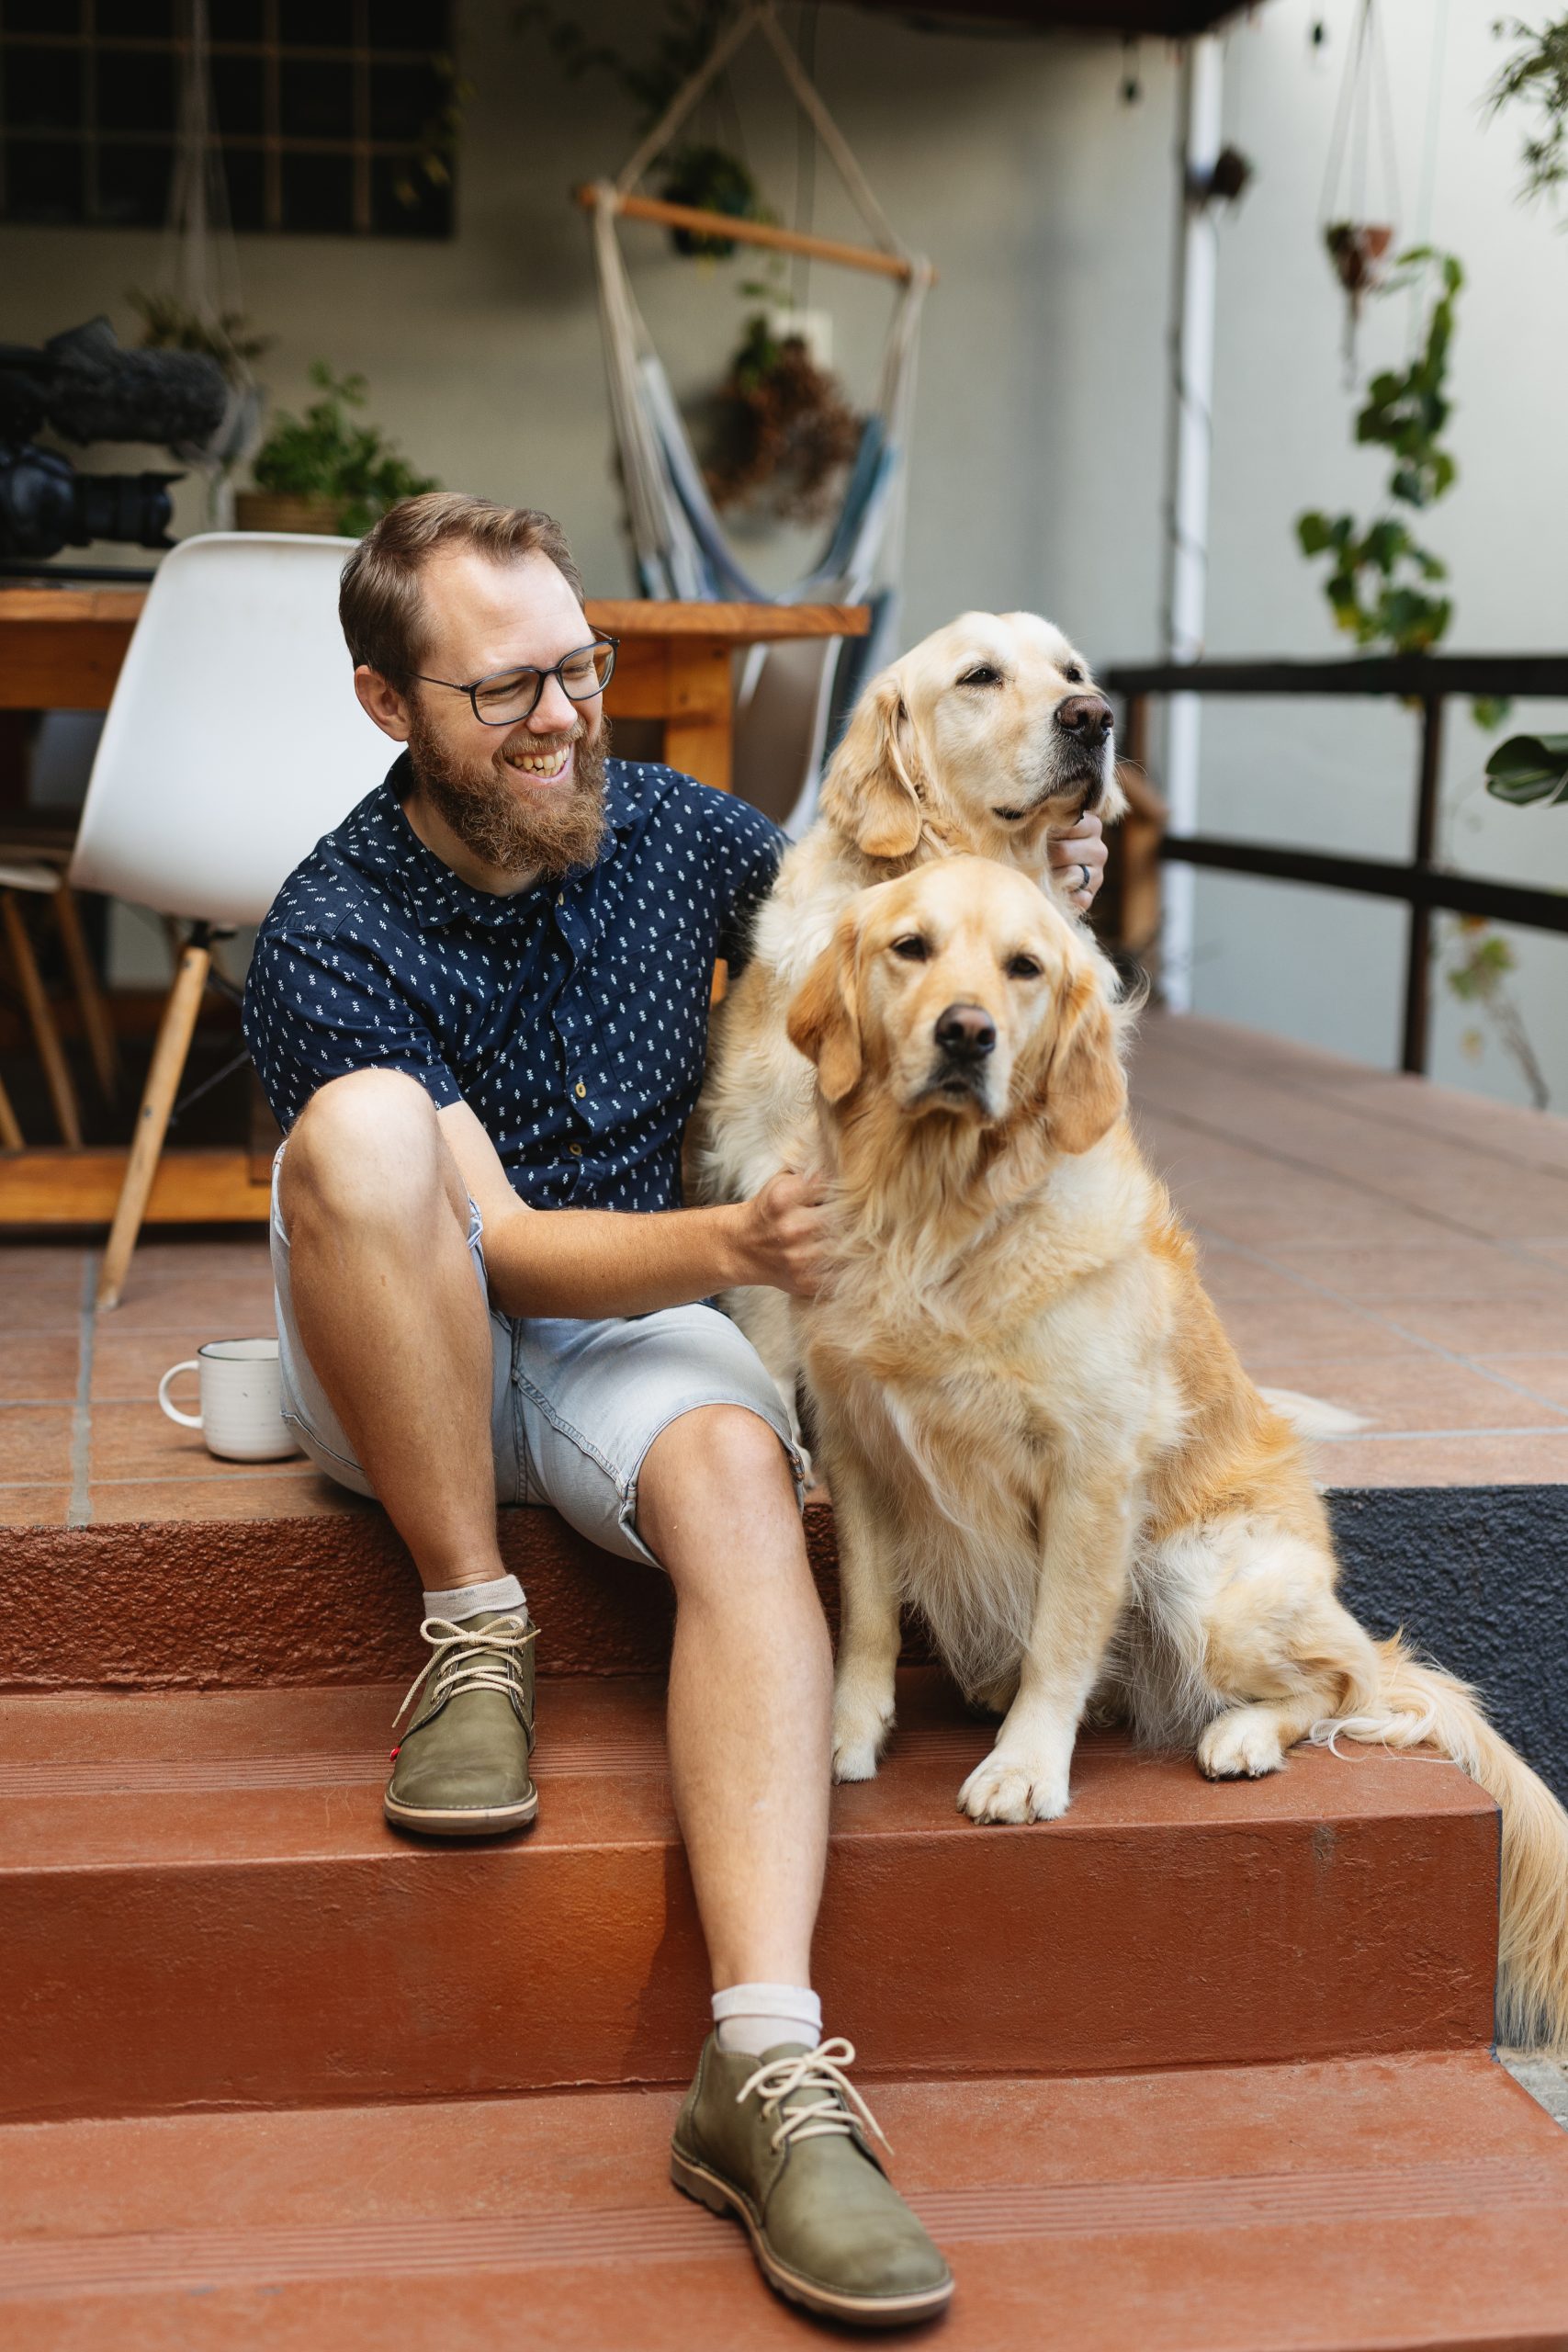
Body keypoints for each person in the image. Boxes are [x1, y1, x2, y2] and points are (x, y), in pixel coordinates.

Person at [243, 492, 1108, 2328]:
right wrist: (737, 1245)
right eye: (505, 691)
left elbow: (882, 921)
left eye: (580, 666)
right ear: (390, 705)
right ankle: (473, 1621)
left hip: (624, 1335)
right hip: (413, 1326)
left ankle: (766, 2071)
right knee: (368, 1134)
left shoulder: (677, 832)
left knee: (732, 1467)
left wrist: (1030, 872)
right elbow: (507, 1252)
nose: (564, 718)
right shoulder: (328, 926)